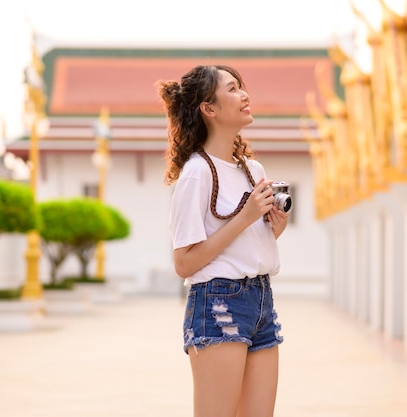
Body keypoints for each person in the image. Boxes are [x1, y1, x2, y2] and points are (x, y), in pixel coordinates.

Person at [158, 64, 289, 417]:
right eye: (232, 89)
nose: (244, 94)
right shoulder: (197, 172)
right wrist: (245, 217)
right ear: (209, 108)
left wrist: (274, 226)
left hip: (261, 298)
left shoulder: (253, 169)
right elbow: (183, 262)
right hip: (218, 302)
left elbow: (251, 241)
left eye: (241, 86)